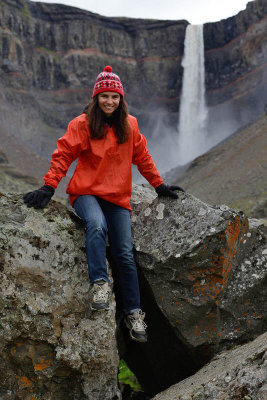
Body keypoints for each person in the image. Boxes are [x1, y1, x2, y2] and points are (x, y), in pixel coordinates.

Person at [23, 66, 184, 343]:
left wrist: (159, 185)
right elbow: (63, 155)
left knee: (124, 252)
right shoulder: (82, 124)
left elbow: (142, 156)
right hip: (86, 193)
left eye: (115, 96)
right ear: (96, 97)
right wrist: (49, 186)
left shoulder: (130, 125)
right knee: (96, 226)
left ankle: (133, 313)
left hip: (117, 198)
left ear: (121, 99)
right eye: (104, 96)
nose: (110, 101)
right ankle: (100, 284)